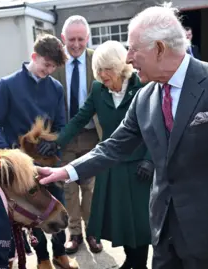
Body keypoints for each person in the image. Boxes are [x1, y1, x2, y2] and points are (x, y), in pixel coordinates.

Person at [37, 3, 208, 269]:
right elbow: (113, 147)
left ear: (159, 48)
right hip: (163, 232)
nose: (127, 58)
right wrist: (66, 171)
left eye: (133, 49)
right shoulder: (145, 98)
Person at [50, 40, 153, 269]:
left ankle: (139, 263)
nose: (101, 74)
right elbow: (80, 118)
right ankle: (130, 260)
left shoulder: (142, 87)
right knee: (122, 219)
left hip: (140, 166)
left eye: (106, 69)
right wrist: (57, 142)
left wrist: (149, 159)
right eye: (98, 69)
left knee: (139, 221)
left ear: (120, 66)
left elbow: (156, 128)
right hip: (113, 163)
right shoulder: (99, 89)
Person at [0, 34, 77, 269]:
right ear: (34, 56)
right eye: (46, 64)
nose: (49, 70)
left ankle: (59, 254)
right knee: (33, 211)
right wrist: (8, 154)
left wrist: (55, 143)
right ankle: (43, 260)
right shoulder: (7, 84)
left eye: (53, 67)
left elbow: (61, 124)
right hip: (20, 164)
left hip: (49, 160)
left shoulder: (56, 88)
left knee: (56, 206)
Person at [51, 15, 103, 255]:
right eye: (71, 39)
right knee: (68, 186)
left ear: (88, 38)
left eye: (81, 39)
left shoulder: (97, 61)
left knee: (91, 187)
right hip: (64, 136)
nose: (76, 44)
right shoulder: (55, 62)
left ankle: (93, 232)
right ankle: (74, 234)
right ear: (63, 38)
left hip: (93, 135)